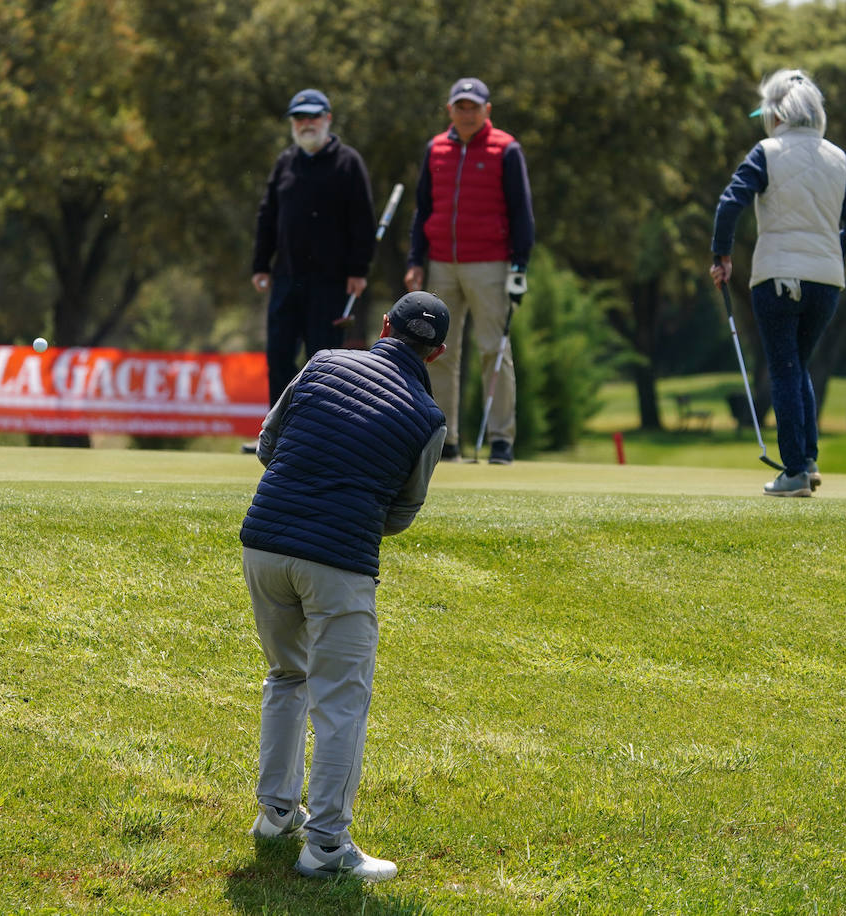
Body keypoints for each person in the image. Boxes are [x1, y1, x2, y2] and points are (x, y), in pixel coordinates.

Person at [240, 292, 450, 883]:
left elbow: (268, 445)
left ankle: (277, 812)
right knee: (342, 704)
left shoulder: (324, 360)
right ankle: (327, 844)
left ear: (384, 326)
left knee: (287, 674)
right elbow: (403, 512)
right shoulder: (429, 418)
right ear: (436, 353)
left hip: (263, 542)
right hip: (339, 560)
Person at [711, 69, 846, 497]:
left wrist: (721, 255)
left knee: (782, 368)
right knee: (796, 366)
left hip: (777, 278)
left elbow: (731, 204)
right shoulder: (839, 158)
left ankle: (795, 471)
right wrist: (829, 249)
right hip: (825, 283)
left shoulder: (767, 151)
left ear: (776, 115)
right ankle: (809, 460)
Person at [405, 77, 534, 465]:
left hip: (490, 264)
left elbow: (521, 213)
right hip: (442, 262)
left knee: (494, 350)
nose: (466, 113)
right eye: (460, 106)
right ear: (450, 110)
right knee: (440, 352)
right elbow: (423, 210)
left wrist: (519, 266)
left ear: (486, 110)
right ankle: (447, 440)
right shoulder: (436, 149)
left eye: (473, 107)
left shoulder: (506, 149)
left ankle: (500, 440)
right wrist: (415, 260)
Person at [251, 88, 377, 413]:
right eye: (300, 118)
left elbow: (363, 222)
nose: (307, 123)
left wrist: (358, 270)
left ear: (327, 119)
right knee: (278, 355)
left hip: (331, 282)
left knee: (324, 361)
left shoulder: (349, 163)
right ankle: (275, 434)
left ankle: (316, 432)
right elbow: (268, 215)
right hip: (286, 277)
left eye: (313, 117)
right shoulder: (285, 162)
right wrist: (260, 264)